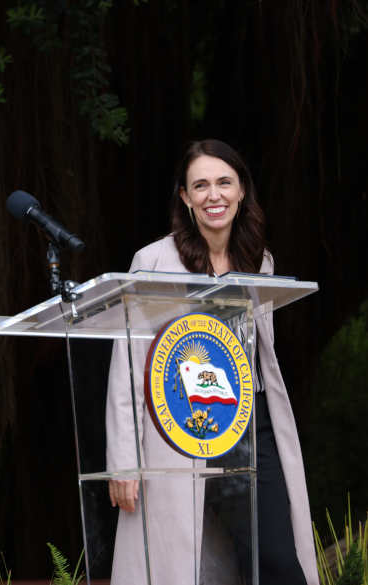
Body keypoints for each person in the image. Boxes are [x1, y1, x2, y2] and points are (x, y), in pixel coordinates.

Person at [105, 139, 318, 584]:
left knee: (277, 558)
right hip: (184, 424)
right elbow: (128, 367)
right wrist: (124, 460)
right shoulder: (153, 260)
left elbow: (260, 355)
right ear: (185, 197)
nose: (213, 195)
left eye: (224, 182)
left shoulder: (259, 260)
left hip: (252, 423)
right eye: (200, 185)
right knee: (193, 562)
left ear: (241, 191)